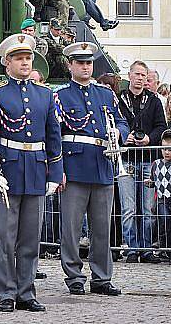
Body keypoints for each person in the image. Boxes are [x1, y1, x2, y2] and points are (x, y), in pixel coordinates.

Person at [0, 34, 63, 313]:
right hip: (9, 170)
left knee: (31, 238)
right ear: (7, 63)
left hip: (37, 171)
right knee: (6, 237)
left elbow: (54, 138)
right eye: (19, 58)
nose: (25, 62)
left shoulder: (45, 95)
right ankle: (6, 292)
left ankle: (26, 291)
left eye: (28, 58)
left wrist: (55, 174)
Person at [55, 42, 129, 296]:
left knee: (102, 228)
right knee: (72, 229)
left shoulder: (105, 94)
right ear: (70, 65)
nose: (85, 67)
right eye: (80, 63)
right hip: (74, 167)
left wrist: (118, 132)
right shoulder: (61, 95)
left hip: (103, 165)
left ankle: (101, 277)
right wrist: (58, 169)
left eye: (88, 63)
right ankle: (74, 275)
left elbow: (121, 121)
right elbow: (55, 135)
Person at [117, 60, 167, 263]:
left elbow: (161, 127)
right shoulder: (118, 99)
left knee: (147, 209)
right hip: (127, 159)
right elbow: (112, 123)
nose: (139, 78)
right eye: (136, 74)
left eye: (143, 75)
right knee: (128, 208)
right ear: (129, 75)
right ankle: (131, 249)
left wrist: (149, 139)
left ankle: (146, 249)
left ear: (147, 79)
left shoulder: (154, 100)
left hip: (148, 160)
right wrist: (124, 137)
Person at [147, 130, 171, 255]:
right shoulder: (156, 164)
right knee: (164, 221)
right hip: (162, 199)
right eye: (164, 149)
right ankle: (164, 245)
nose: (167, 152)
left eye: (170, 149)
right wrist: (149, 183)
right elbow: (153, 180)